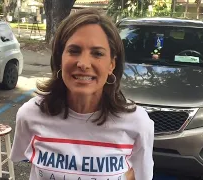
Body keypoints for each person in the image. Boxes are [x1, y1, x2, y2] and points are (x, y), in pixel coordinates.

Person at [10, 9, 154, 180]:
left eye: (98, 53)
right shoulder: (30, 114)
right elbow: (25, 159)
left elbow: (140, 175)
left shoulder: (138, 122)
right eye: (74, 50)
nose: (83, 64)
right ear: (60, 59)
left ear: (111, 65)